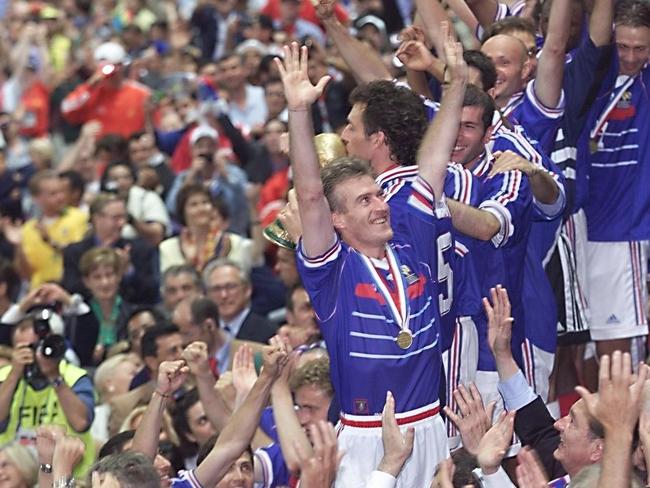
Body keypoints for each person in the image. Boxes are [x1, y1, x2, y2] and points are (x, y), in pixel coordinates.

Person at [279, 39, 465, 486]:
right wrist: (300, 112)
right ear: (337, 219)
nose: (381, 206)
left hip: (431, 426)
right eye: (365, 200)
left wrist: (456, 85)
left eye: (378, 194)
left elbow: (433, 161)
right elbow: (308, 193)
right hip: (366, 439)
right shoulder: (333, 273)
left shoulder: (411, 249)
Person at [580, 0, 650, 358]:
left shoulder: (645, 82)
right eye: (623, 46)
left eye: (640, 48)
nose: (631, 56)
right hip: (583, 227)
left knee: (620, 344)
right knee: (589, 346)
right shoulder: (595, 75)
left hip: (626, 232)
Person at [0, 316, 96, 476]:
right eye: (28, 347)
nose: (36, 353)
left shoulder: (74, 376)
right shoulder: (4, 377)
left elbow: (80, 423)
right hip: (12, 478)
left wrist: (54, 376)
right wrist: (14, 375)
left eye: (40, 346)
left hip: (69, 477)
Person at [62, 193, 159, 305]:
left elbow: (151, 292)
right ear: (96, 218)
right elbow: (71, 289)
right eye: (116, 218)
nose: (122, 223)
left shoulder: (140, 250)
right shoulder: (75, 252)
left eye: (124, 217)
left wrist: (128, 271)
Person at [160, 184, 259, 273]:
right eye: (194, 204)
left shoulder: (235, 243)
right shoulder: (168, 248)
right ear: (183, 212)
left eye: (205, 202)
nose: (201, 208)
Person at [60, 42, 151, 138]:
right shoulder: (90, 93)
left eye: (111, 66)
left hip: (131, 148)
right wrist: (89, 86)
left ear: (121, 66)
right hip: (101, 149)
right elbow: (66, 109)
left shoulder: (141, 93)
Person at [15, 170, 87, 289]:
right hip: (40, 290)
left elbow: (79, 256)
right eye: (53, 193)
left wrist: (50, 242)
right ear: (36, 198)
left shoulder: (79, 217)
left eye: (61, 192)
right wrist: (18, 247)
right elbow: (26, 274)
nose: (61, 197)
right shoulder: (28, 229)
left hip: (70, 287)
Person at [71, 247, 135, 366]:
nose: (104, 282)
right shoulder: (78, 317)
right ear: (86, 282)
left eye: (109, 275)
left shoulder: (132, 313)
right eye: (97, 277)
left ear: (118, 276)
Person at [203, 259, 277, 344]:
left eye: (231, 287)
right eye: (216, 289)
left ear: (247, 290)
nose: (224, 295)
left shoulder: (268, 332)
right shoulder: (202, 332)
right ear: (207, 295)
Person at [102, 161, 170, 247]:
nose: (121, 183)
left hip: (145, 251)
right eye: (115, 179)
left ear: (133, 179)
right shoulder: (101, 201)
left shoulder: (148, 197)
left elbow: (157, 235)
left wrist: (131, 220)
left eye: (126, 178)